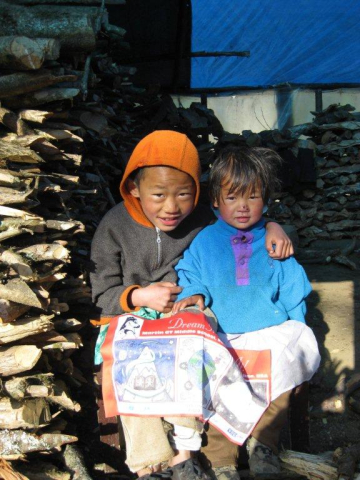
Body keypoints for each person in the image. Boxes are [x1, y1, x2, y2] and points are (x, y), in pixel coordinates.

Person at [90, 131, 294, 480]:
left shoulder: (201, 218)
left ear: (197, 193)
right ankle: (149, 465)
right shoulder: (114, 226)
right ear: (134, 188)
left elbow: (243, 224)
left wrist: (274, 224)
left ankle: (184, 453)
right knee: (132, 365)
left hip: (185, 310)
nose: (172, 207)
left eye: (184, 194)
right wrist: (140, 296)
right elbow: (101, 293)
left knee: (192, 348)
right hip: (130, 316)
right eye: (158, 195)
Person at [172, 145, 321, 479]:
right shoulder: (206, 241)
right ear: (215, 200)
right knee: (210, 378)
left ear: (265, 201)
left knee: (287, 362)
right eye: (232, 197)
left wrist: (297, 331)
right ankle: (221, 459)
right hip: (222, 331)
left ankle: (263, 445)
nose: (242, 207)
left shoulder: (273, 242)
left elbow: (293, 291)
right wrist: (197, 292)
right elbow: (192, 275)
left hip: (268, 329)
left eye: (252, 198)